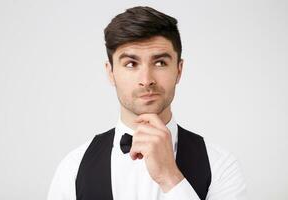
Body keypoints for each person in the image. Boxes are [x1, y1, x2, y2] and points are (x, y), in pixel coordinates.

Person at [47, 6, 247, 200]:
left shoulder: (220, 165)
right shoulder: (73, 167)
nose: (146, 79)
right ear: (111, 73)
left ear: (179, 70)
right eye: (131, 64)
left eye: (160, 62)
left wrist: (170, 177)